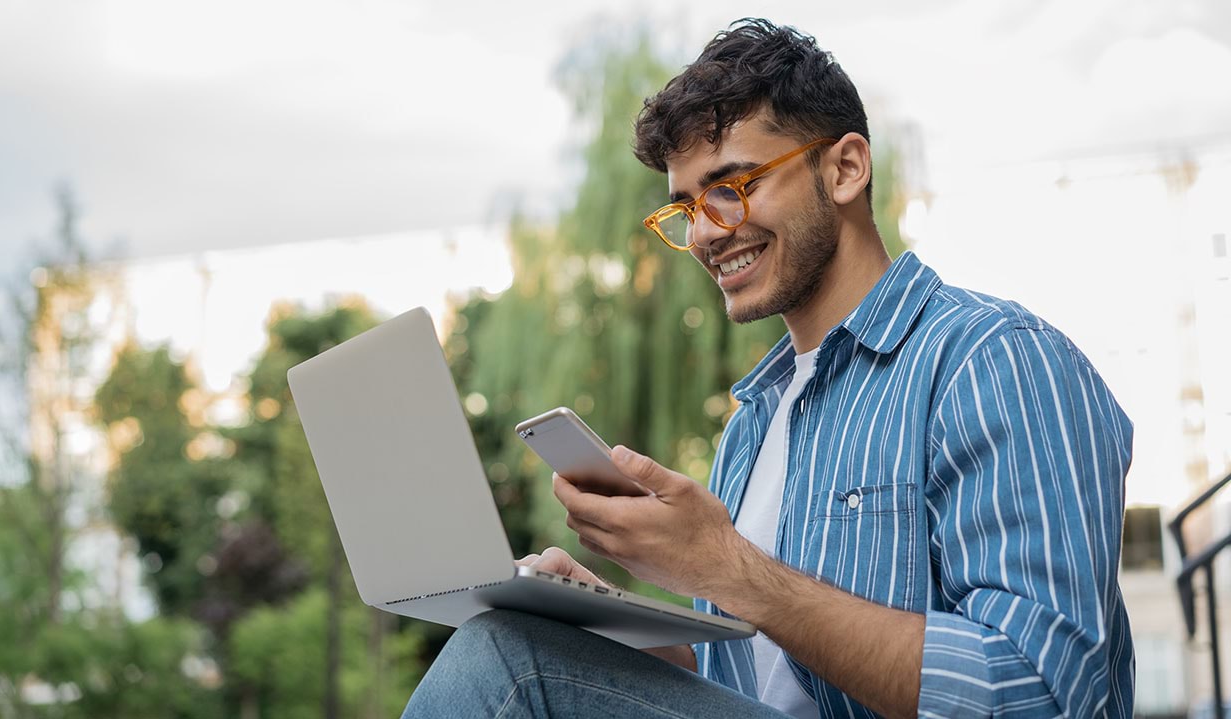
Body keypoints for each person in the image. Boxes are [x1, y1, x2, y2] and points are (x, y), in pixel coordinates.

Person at [404, 18, 1133, 718]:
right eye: (685, 207)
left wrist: (726, 565)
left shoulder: (993, 357)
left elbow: (1041, 691)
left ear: (845, 167)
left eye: (732, 186)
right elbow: (751, 689)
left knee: (505, 659)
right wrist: (610, 623)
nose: (703, 234)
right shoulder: (756, 420)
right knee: (528, 641)